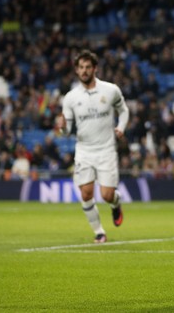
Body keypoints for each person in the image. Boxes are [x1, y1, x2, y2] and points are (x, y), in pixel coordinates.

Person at [59, 50, 130, 243]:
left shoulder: (110, 90)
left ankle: (116, 204)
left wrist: (121, 127)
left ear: (95, 68)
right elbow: (66, 131)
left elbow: (123, 110)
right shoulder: (70, 98)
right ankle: (99, 232)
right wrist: (63, 129)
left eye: (88, 67)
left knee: (107, 195)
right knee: (86, 193)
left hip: (106, 150)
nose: (84, 71)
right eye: (81, 67)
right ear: (76, 70)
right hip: (84, 151)